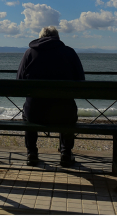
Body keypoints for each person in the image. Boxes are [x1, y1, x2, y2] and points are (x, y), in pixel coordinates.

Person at [17, 26, 85, 167]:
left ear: (40, 37)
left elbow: (19, 82)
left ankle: (32, 153)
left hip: (35, 114)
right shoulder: (70, 53)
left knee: (28, 112)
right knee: (68, 110)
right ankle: (66, 153)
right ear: (57, 38)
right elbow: (81, 82)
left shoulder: (29, 53)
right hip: (64, 114)